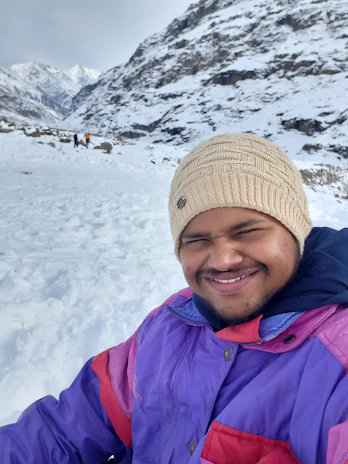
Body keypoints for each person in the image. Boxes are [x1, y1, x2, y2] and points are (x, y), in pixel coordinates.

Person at [1, 133, 348, 463]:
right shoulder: (170, 324)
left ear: (296, 231)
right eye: (196, 240)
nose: (223, 260)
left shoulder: (337, 359)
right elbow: (64, 430)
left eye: (248, 231)